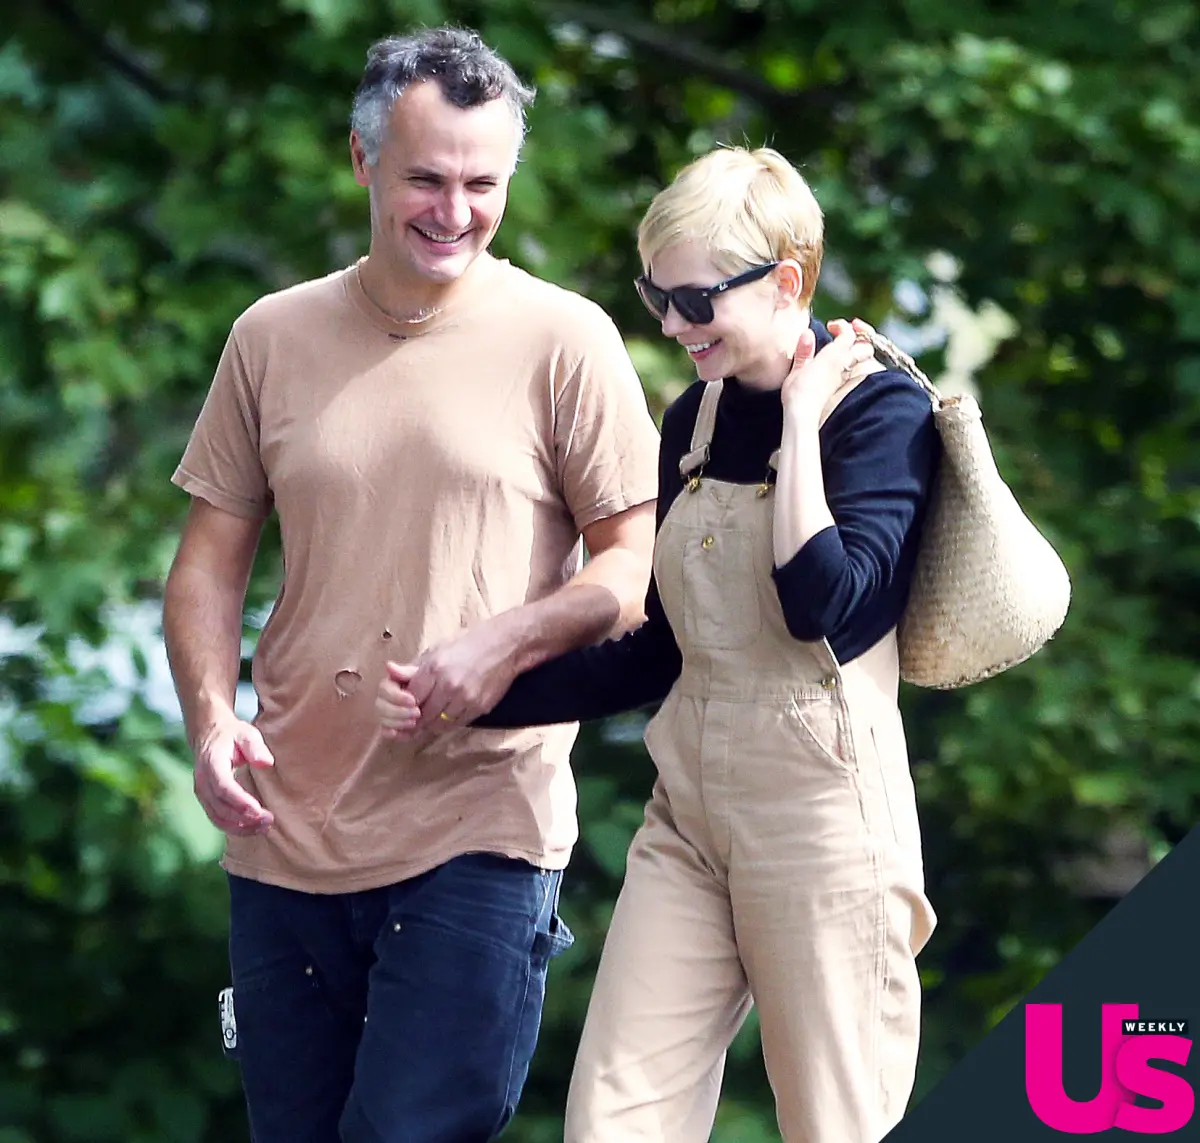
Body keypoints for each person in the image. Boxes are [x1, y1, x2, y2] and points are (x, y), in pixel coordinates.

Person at [379, 145, 942, 1143]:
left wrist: (800, 420)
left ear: (785, 283)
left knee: (837, 1124)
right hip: (688, 814)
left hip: (822, 822)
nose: (674, 327)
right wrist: (476, 694)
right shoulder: (694, 418)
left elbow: (824, 607)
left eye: (694, 301)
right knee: (612, 1119)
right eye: (657, 297)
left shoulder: (881, 412)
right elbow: (662, 650)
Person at [162, 26, 660, 1143]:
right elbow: (206, 565)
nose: (455, 211)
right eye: (427, 179)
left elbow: (634, 569)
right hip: (285, 825)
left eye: (484, 185)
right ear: (362, 159)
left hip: (479, 821)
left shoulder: (565, 338)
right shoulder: (271, 336)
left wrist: (505, 645)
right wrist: (210, 722)